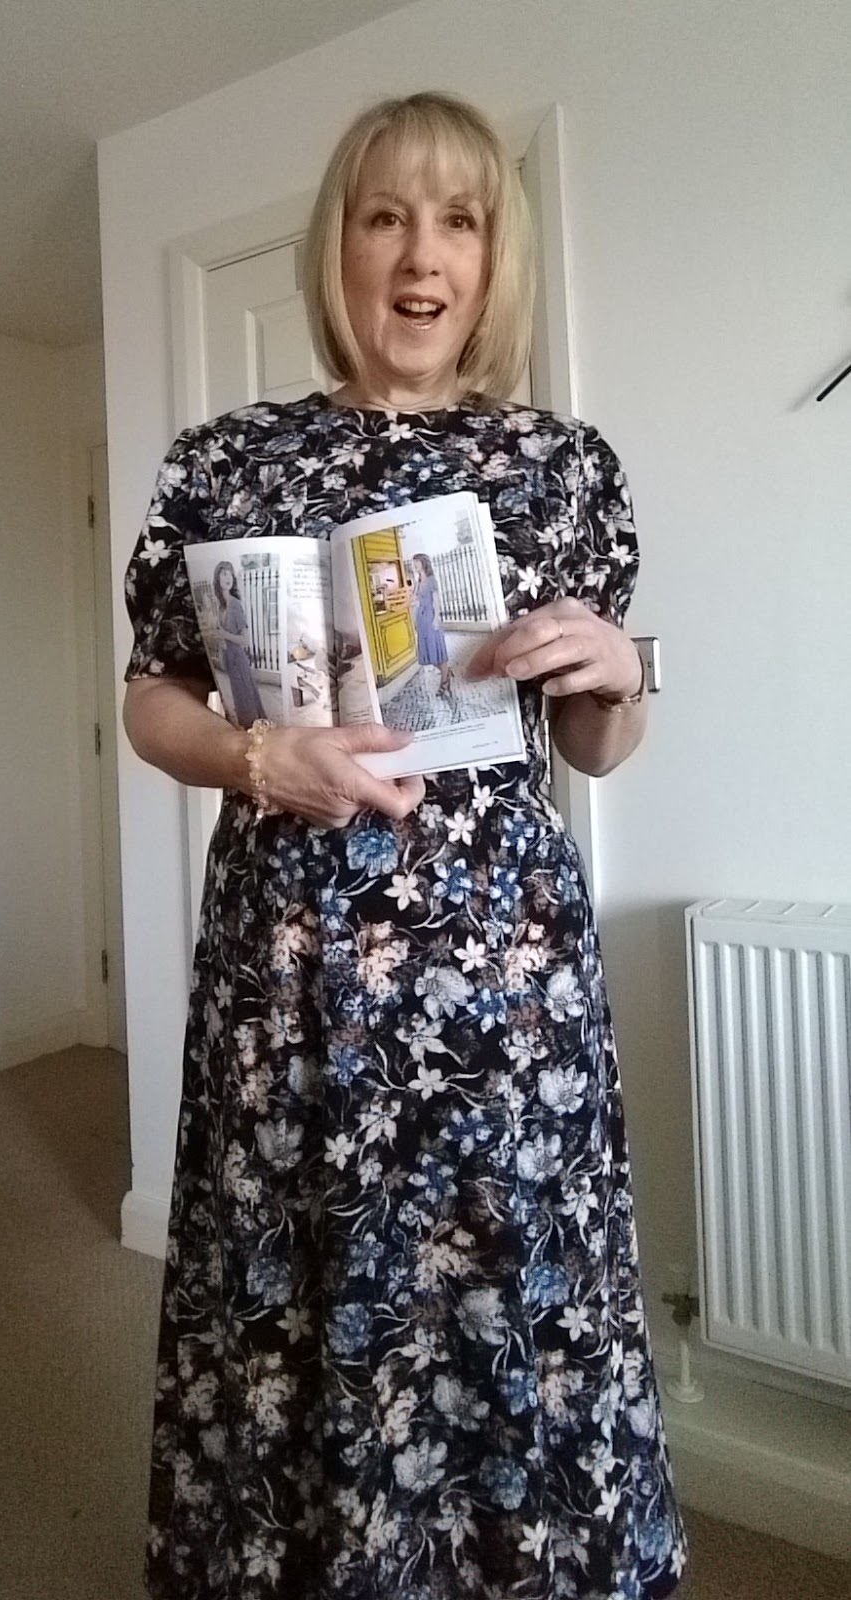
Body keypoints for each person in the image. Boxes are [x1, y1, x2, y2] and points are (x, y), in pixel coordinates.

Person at [123, 91, 688, 1600]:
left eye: (459, 220)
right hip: (290, 979)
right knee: (295, 1288)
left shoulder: (562, 467)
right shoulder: (226, 461)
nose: (421, 254)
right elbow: (150, 700)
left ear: (494, 260)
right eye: (385, 216)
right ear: (341, 246)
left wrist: (622, 673)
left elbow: (593, 745)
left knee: (505, 1286)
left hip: (503, 987)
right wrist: (255, 756)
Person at [213, 559, 267, 727]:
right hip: (229, 658)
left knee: (247, 697)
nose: (228, 578)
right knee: (239, 697)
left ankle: (256, 729)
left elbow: (245, 640)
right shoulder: (221, 607)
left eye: (230, 574)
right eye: (224, 574)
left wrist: (224, 634)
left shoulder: (235, 605)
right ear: (217, 579)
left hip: (238, 657)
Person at [410, 552, 454, 695]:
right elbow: (415, 599)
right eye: (414, 563)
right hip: (422, 619)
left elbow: (436, 601)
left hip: (430, 618)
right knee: (428, 653)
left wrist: (436, 619)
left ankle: (444, 681)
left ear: (424, 563)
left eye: (417, 563)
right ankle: (446, 672)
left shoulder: (431, 580)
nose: (415, 565)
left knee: (436, 651)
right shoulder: (418, 582)